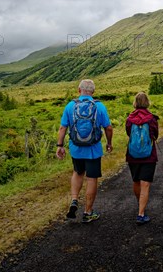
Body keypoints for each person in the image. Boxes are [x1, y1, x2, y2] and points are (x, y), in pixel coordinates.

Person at [56, 79, 113, 223]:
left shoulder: (70, 106)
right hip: (93, 149)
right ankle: (88, 212)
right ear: (93, 92)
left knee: (77, 172)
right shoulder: (99, 106)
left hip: (76, 149)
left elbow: (63, 128)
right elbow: (108, 128)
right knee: (91, 178)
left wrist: (59, 145)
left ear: (78, 90)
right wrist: (109, 143)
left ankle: (74, 199)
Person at [125, 92, 159, 225]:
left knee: (136, 181)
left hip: (132, 155)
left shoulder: (129, 118)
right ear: (147, 102)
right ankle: (141, 213)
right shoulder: (151, 118)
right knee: (145, 184)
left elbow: (128, 133)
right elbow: (155, 134)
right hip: (149, 155)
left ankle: (140, 204)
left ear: (135, 102)